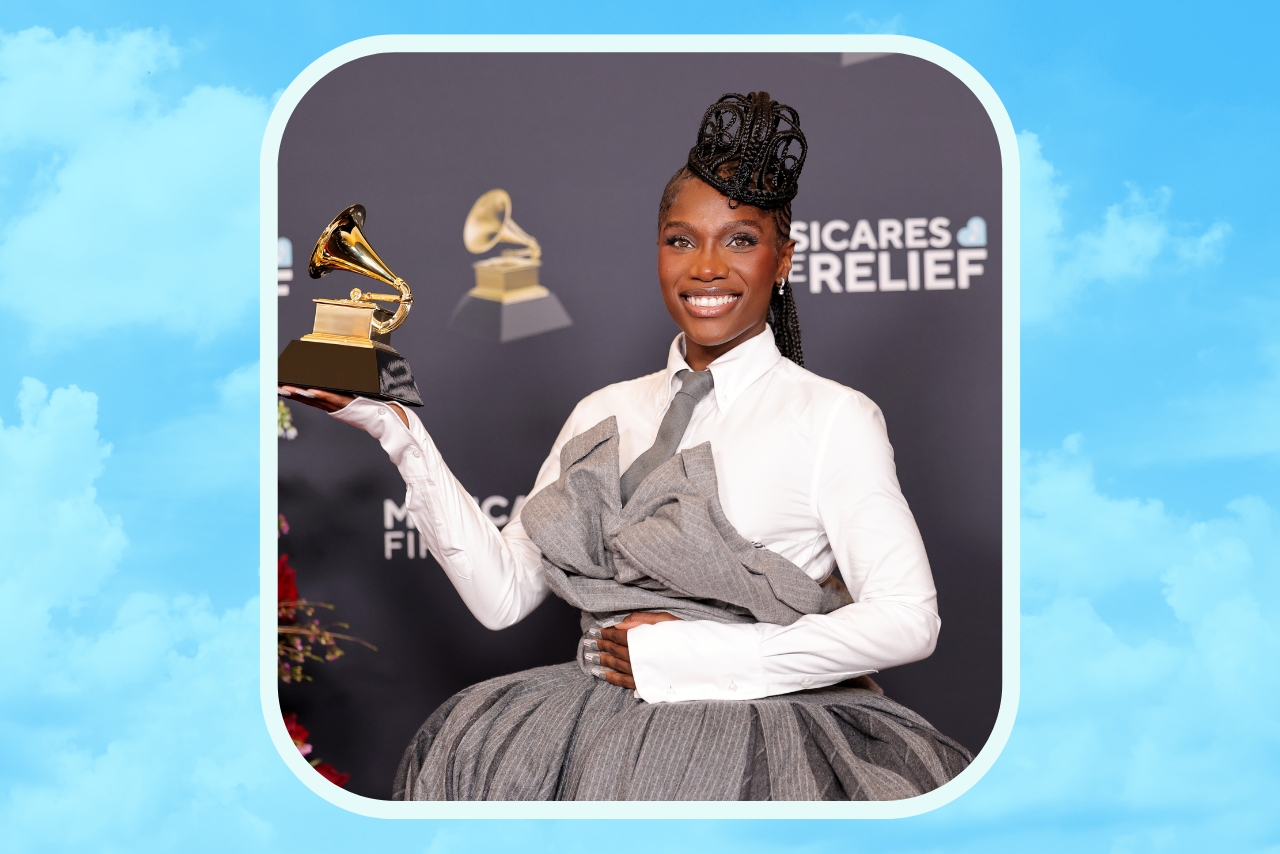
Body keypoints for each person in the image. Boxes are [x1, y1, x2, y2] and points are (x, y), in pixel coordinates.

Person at [280, 92, 970, 801]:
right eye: (681, 239)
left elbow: (907, 619)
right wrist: (396, 432)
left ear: (783, 258)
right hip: (583, 733)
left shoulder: (832, 416)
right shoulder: (603, 411)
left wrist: (700, 656)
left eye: (739, 239)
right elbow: (504, 596)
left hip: (763, 744)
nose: (706, 267)